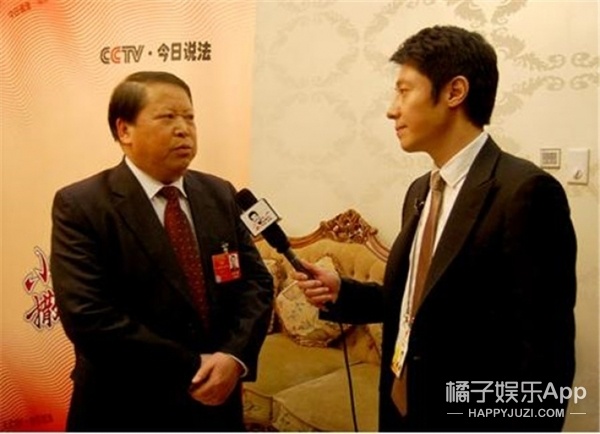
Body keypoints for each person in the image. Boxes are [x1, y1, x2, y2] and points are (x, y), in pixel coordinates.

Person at [296, 25, 576, 432]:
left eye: (404, 91)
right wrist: (344, 292)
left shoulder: (525, 192)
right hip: (402, 407)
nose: (392, 110)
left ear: (454, 92)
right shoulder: (420, 190)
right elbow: (417, 300)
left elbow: (546, 352)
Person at [50, 71, 274, 431]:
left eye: (190, 117)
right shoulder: (82, 205)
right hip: (125, 404)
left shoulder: (219, 193)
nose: (184, 129)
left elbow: (256, 283)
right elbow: (87, 315)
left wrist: (234, 357)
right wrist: (193, 367)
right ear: (125, 130)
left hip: (217, 403)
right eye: (168, 117)